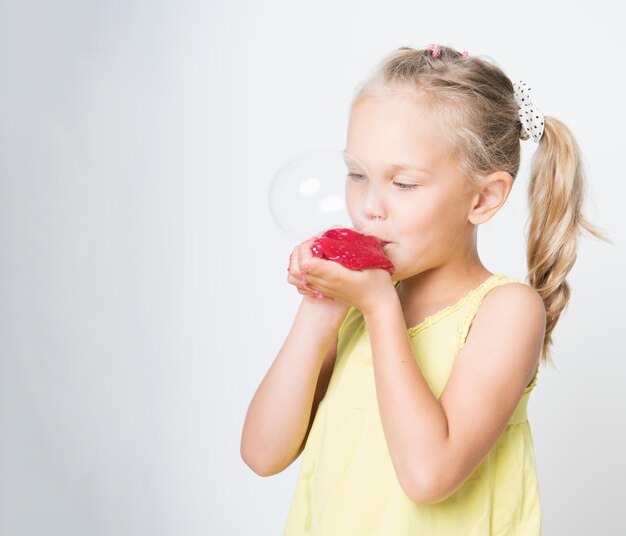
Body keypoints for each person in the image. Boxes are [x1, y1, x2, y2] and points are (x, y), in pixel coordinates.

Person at [240, 44, 609, 535]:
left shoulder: (506, 311)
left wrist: (378, 306)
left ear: (483, 197)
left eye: (405, 183)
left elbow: (427, 475)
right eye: (357, 175)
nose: (370, 206)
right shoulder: (352, 309)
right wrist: (318, 310)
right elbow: (262, 454)